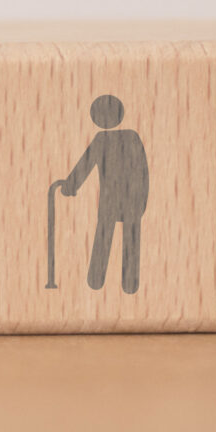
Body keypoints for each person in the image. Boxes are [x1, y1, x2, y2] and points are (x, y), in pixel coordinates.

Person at [59, 94, 149, 294]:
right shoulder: (132, 137)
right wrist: (142, 199)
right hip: (133, 200)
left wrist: (70, 186)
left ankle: (95, 281)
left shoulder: (102, 140)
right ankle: (130, 284)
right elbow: (143, 170)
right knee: (130, 239)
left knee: (103, 235)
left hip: (111, 201)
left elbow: (84, 166)